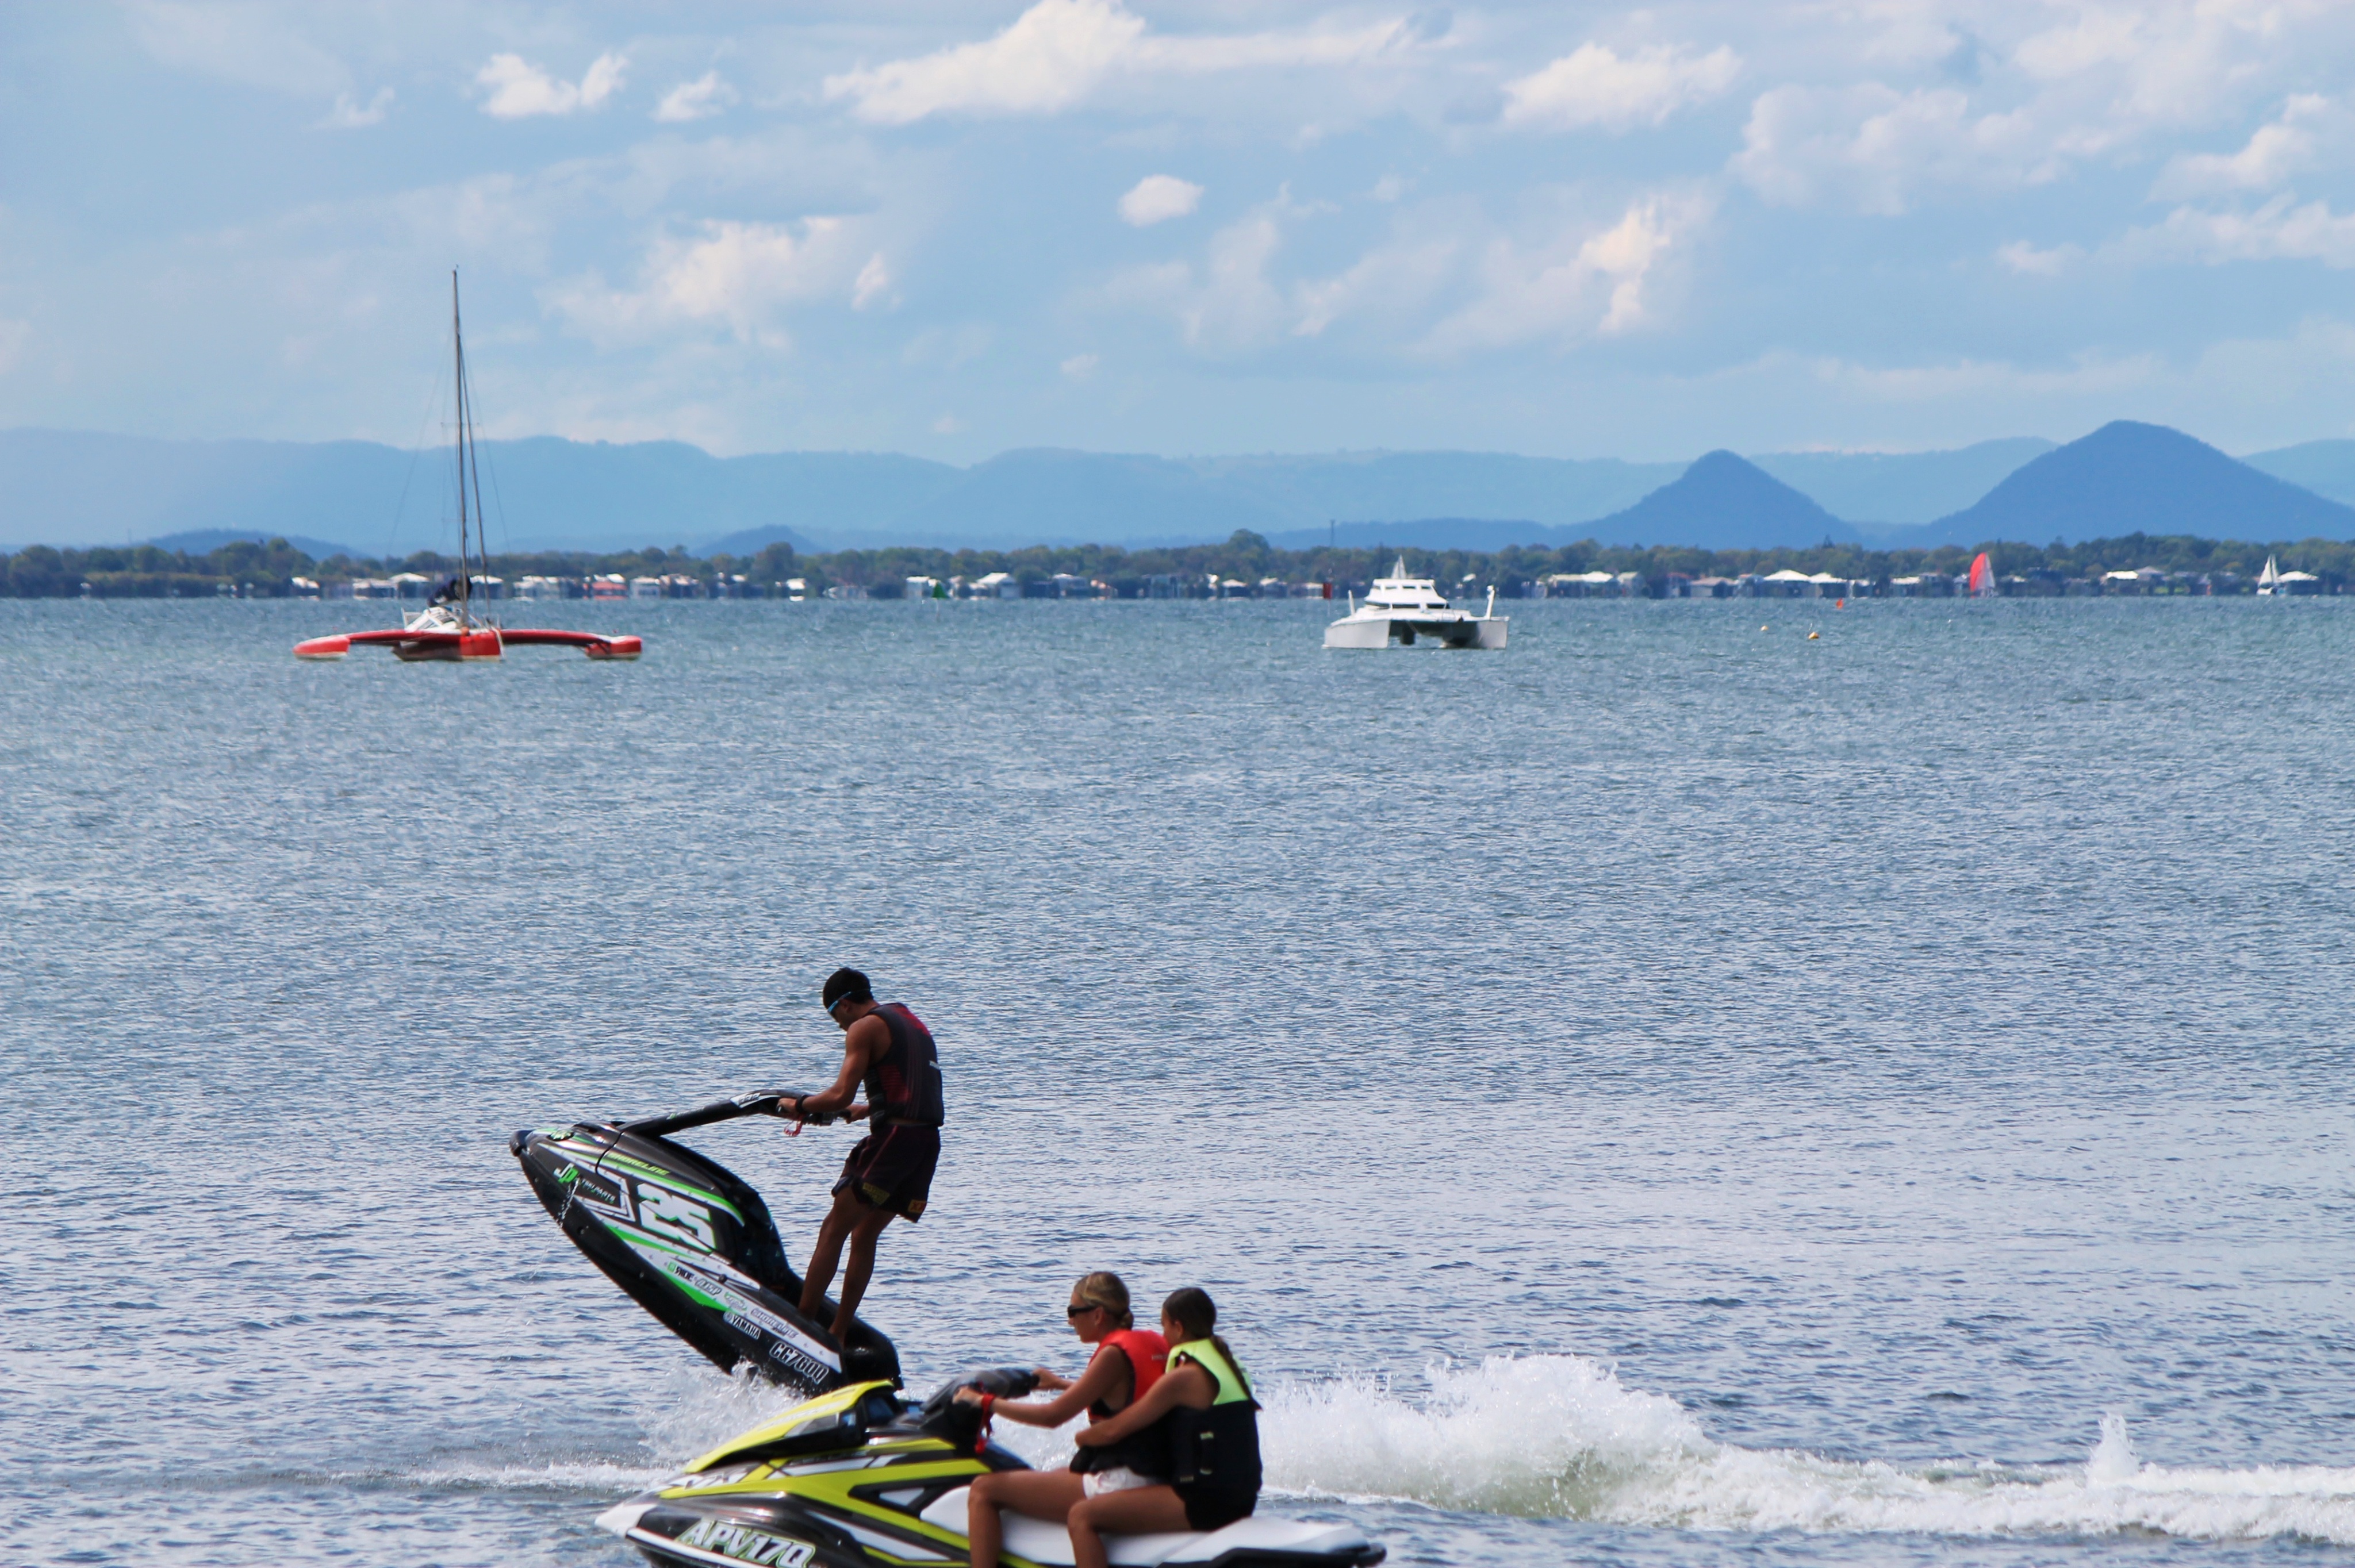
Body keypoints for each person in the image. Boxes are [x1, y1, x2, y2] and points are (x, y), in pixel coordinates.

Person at [954, 1273, 1169, 1568]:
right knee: (1053, 1473)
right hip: (1152, 1470)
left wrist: (984, 1402)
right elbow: (1121, 1397)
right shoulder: (1151, 1343)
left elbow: (1051, 1417)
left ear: (1097, 1315)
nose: (1070, 1322)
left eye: (1073, 1312)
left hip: (1123, 1480)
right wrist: (1058, 1383)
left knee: (983, 1490)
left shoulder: (1111, 1356)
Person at [785, 966, 944, 1342]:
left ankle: (800, 1325)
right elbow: (912, 1084)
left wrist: (801, 1105)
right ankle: (837, 1334)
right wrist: (870, 1110)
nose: (839, 1028)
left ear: (842, 1006)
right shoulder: (908, 1019)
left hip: (894, 1142)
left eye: (833, 1017)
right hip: (925, 1144)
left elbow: (839, 1095)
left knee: (834, 1228)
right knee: (865, 1234)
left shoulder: (862, 1028)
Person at [1063, 1288, 1261, 1568]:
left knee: (1082, 1516)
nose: (1163, 1335)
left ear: (1178, 1327)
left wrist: (1083, 1437)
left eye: (1164, 1326)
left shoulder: (1183, 1377)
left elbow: (1115, 1430)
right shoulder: (1230, 1366)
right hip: (1242, 1496)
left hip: (1203, 1503)